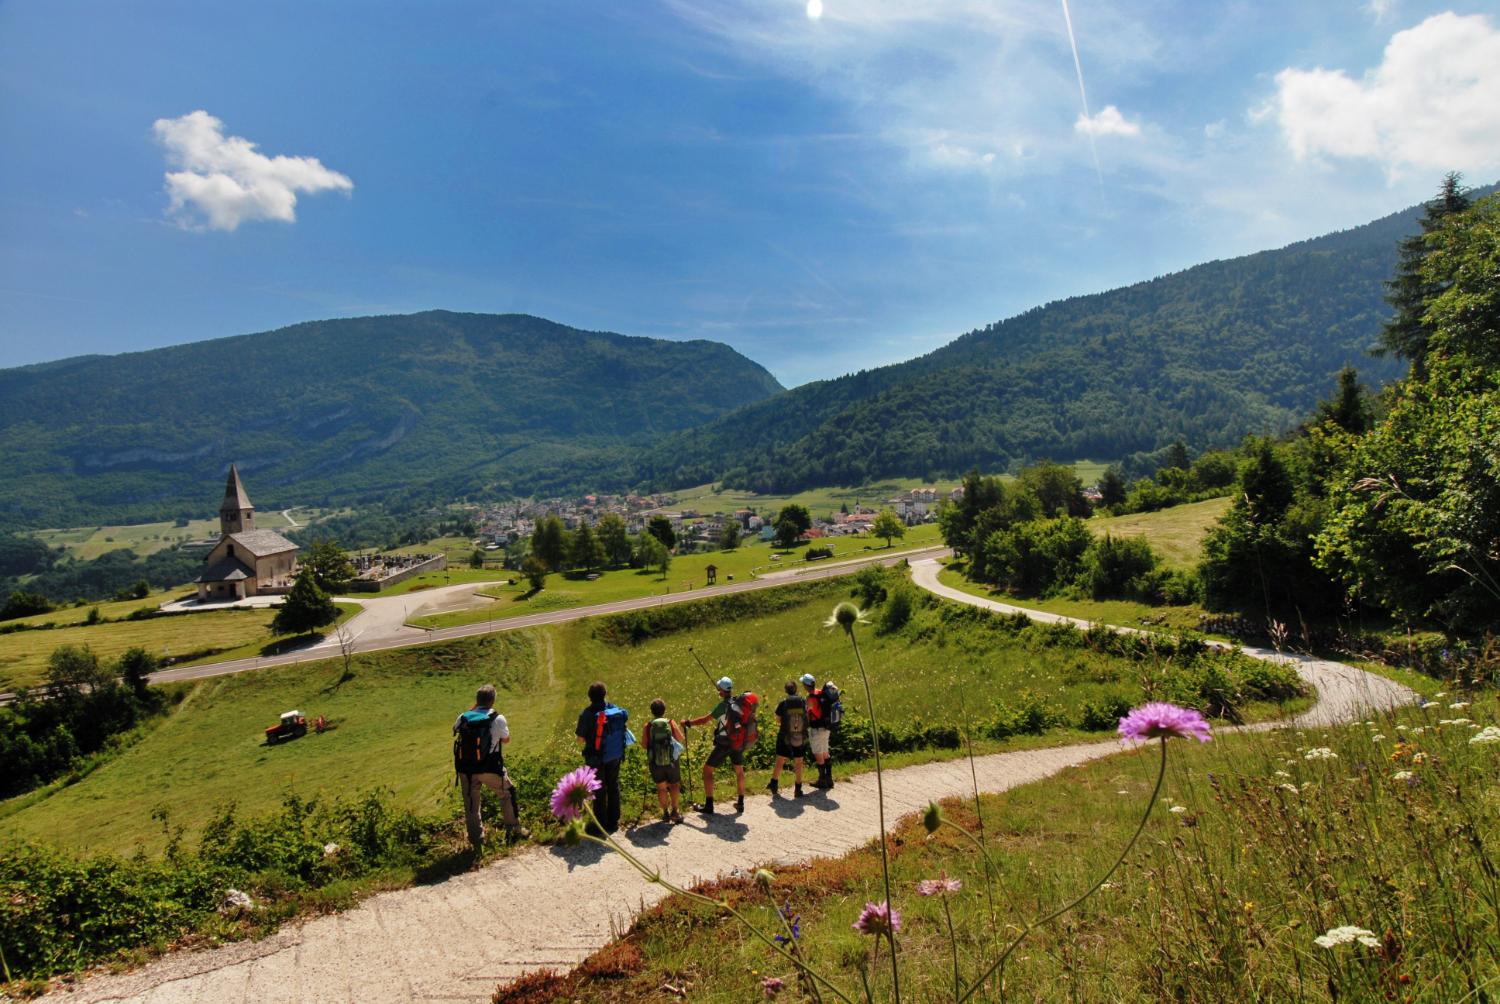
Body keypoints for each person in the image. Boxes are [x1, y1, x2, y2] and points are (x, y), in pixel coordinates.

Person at [453, 684, 529, 848]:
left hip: (466, 768)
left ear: (476, 700)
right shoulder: (497, 718)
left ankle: (477, 840)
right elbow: (506, 740)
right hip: (490, 767)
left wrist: (472, 709)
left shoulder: (463, 717)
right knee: (507, 793)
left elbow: (455, 728)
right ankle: (514, 829)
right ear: (493, 700)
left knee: (472, 804)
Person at [685, 676, 747, 815]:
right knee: (739, 770)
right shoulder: (738, 703)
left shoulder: (722, 706)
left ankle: (709, 805)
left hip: (725, 743)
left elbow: (704, 720)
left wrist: (688, 723)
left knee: (707, 770)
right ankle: (741, 803)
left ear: (721, 691)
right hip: (738, 741)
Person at [575, 681, 628, 834]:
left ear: (589, 696)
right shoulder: (613, 708)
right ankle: (614, 821)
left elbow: (580, 739)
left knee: (599, 789)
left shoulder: (587, 714)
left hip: (595, 757)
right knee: (613, 786)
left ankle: (600, 824)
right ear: (605, 694)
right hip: (614, 754)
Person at [644, 697, 686, 824]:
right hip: (672, 761)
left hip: (656, 762)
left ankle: (665, 814)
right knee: (674, 785)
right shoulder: (670, 723)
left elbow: (644, 745)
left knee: (661, 788)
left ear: (652, 711)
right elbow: (680, 738)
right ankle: (675, 811)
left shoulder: (648, 726)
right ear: (664, 710)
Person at [768, 680, 807, 798]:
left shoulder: (783, 703)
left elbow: (778, 720)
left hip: (784, 735)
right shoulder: (802, 701)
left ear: (786, 691)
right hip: (799, 735)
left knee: (780, 759)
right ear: (796, 690)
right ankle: (798, 788)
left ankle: (774, 783)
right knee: (799, 761)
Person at [803, 673, 834, 789]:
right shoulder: (821, 693)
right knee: (825, 752)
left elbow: (808, 713)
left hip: (816, 728)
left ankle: (821, 780)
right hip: (826, 727)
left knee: (818, 753)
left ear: (806, 685)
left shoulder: (810, 698)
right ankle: (829, 779)